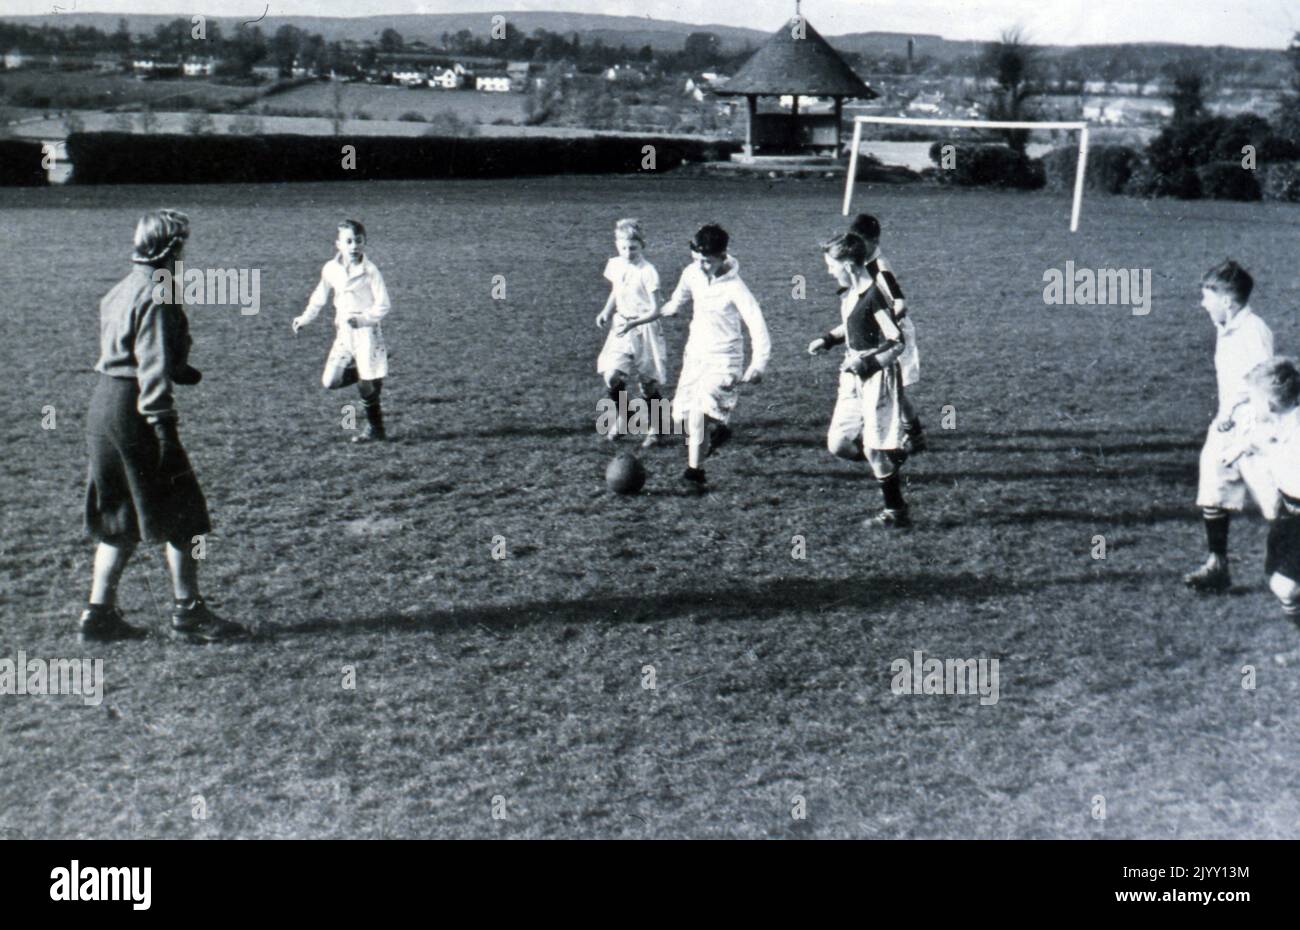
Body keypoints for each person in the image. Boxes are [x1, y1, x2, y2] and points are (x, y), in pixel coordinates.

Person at [81, 208, 247, 643]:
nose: (186, 251)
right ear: (171, 247)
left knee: (119, 515)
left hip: (104, 407)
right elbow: (151, 371)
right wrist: (165, 432)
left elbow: (133, 352)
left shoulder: (120, 289)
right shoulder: (160, 291)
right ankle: (188, 613)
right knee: (186, 513)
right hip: (136, 412)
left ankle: (98, 615)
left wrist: (181, 367)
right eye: (183, 243)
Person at [808, 232, 912, 528]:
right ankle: (888, 467)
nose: (829, 270)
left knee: (872, 448)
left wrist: (866, 362)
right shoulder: (850, 292)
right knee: (839, 444)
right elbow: (852, 323)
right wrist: (828, 339)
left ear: (849, 265)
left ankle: (896, 511)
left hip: (876, 377)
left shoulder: (875, 296)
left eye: (831, 264)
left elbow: (897, 341)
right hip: (851, 374)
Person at [1185, 260, 1276, 592]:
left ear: (1227, 299)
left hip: (1253, 424)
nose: (1203, 303)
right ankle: (1217, 565)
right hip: (1227, 423)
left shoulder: (1254, 332)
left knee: (1276, 503)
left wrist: (1246, 425)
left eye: (1207, 296)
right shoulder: (1226, 327)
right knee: (1213, 487)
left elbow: (1262, 384)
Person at [659, 224, 770, 494]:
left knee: (698, 413)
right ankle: (719, 430)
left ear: (723, 255)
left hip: (725, 359)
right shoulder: (692, 273)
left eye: (706, 261)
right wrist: (666, 310)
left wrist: (758, 364)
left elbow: (757, 326)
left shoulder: (735, 287)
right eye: (696, 259)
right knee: (683, 418)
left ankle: (694, 474)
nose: (701, 266)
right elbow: (677, 299)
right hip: (695, 355)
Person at [292, 219, 392, 443]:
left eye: (358, 240)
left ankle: (376, 430)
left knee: (366, 384)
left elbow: (384, 304)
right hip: (344, 334)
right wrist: (305, 318)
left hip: (367, 333)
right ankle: (370, 372)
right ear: (338, 244)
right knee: (331, 382)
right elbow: (319, 297)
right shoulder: (330, 269)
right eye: (348, 241)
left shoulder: (370, 271)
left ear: (364, 242)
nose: (354, 245)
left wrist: (363, 319)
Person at [849, 213, 925, 452]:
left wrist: (881, 322)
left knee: (892, 390)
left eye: (861, 241)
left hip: (893, 335)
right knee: (886, 388)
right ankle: (913, 434)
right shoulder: (862, 263)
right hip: (882, 333)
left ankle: (908, 436)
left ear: (874, 241)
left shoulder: (880, 267)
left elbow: (901, 304)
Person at [595, 218, 669, 446]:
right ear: (617, 245)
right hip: (622, 326)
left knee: (649, 383)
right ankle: (625, 415)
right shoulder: (616, 265)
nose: (628, 252)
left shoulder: (648, 272)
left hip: (645, 328)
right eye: (624, 247)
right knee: (611, 375)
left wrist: (635, 324)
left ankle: (658, 428)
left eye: (633, 248)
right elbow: (617, 290)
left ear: (642, 246)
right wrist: (606, 312)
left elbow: (657, 310)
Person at [1236, 358, 1300, 618]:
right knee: (1276, 576)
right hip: (1288, 512)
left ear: (1270, 403)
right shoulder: (1276, 423)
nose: (1251, 404)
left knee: (1285, 585)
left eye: (1254, 399)